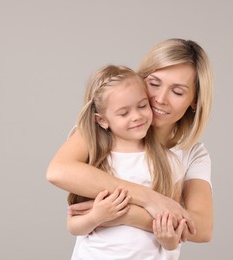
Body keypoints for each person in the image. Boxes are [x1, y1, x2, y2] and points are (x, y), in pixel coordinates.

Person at [46, 38, 214, 246]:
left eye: (177, 92)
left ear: (195, 100)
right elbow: (58, 171)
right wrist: (150, 199)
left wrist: (128, 215)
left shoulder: (192, 153)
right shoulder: (105, 129)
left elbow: (202, 228)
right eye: (153, 84)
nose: (161, 98)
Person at [66, 64, 188, 259]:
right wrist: (97, 216)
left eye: (142, 106)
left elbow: (174, 230)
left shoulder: (168, 162)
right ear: (102, 120)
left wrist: (168, 239)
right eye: (124, 113)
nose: (137, 116)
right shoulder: (97, 162)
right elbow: (74, 226)